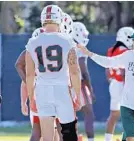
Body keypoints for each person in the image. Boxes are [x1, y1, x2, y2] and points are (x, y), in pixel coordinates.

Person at [78, 27, 134, 141]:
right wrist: (89, 54)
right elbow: (108, 62)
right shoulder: (128, 55)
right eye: (133, 40)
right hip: (127, 105)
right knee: (131, 137)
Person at [25, 5, 81, 141]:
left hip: (42, 90)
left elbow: (30, 75)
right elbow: (74, 72)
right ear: (60, 19)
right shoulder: (67, 41)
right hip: (62, 89)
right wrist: (77, 95)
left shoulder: (32, 42)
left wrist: (31, 97)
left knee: (48, 136)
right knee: (69, 133)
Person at [16, 27, 63, 141]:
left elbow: (21, 73)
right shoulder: (56, 53)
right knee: (58, 131)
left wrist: (24, 103)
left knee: (38, 132)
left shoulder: (32, 56)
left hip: (38, 98)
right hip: (54, 96)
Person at [105, 27, 134, 141]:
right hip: (122, 84)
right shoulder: (125, 52)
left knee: (114, 115)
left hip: (114, 84)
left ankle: (108, 139)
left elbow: (107, 70)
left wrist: (112, 81)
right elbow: (124, 72)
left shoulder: (111, 50)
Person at [72, 21, 95, 141]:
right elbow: (83, 70)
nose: (85, 37)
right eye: (83, 34)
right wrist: (90, 89)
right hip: (78, 83)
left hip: (64, 83)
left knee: (69, 116)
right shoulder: (79, 48)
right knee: (89, 113)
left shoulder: (65, 45)